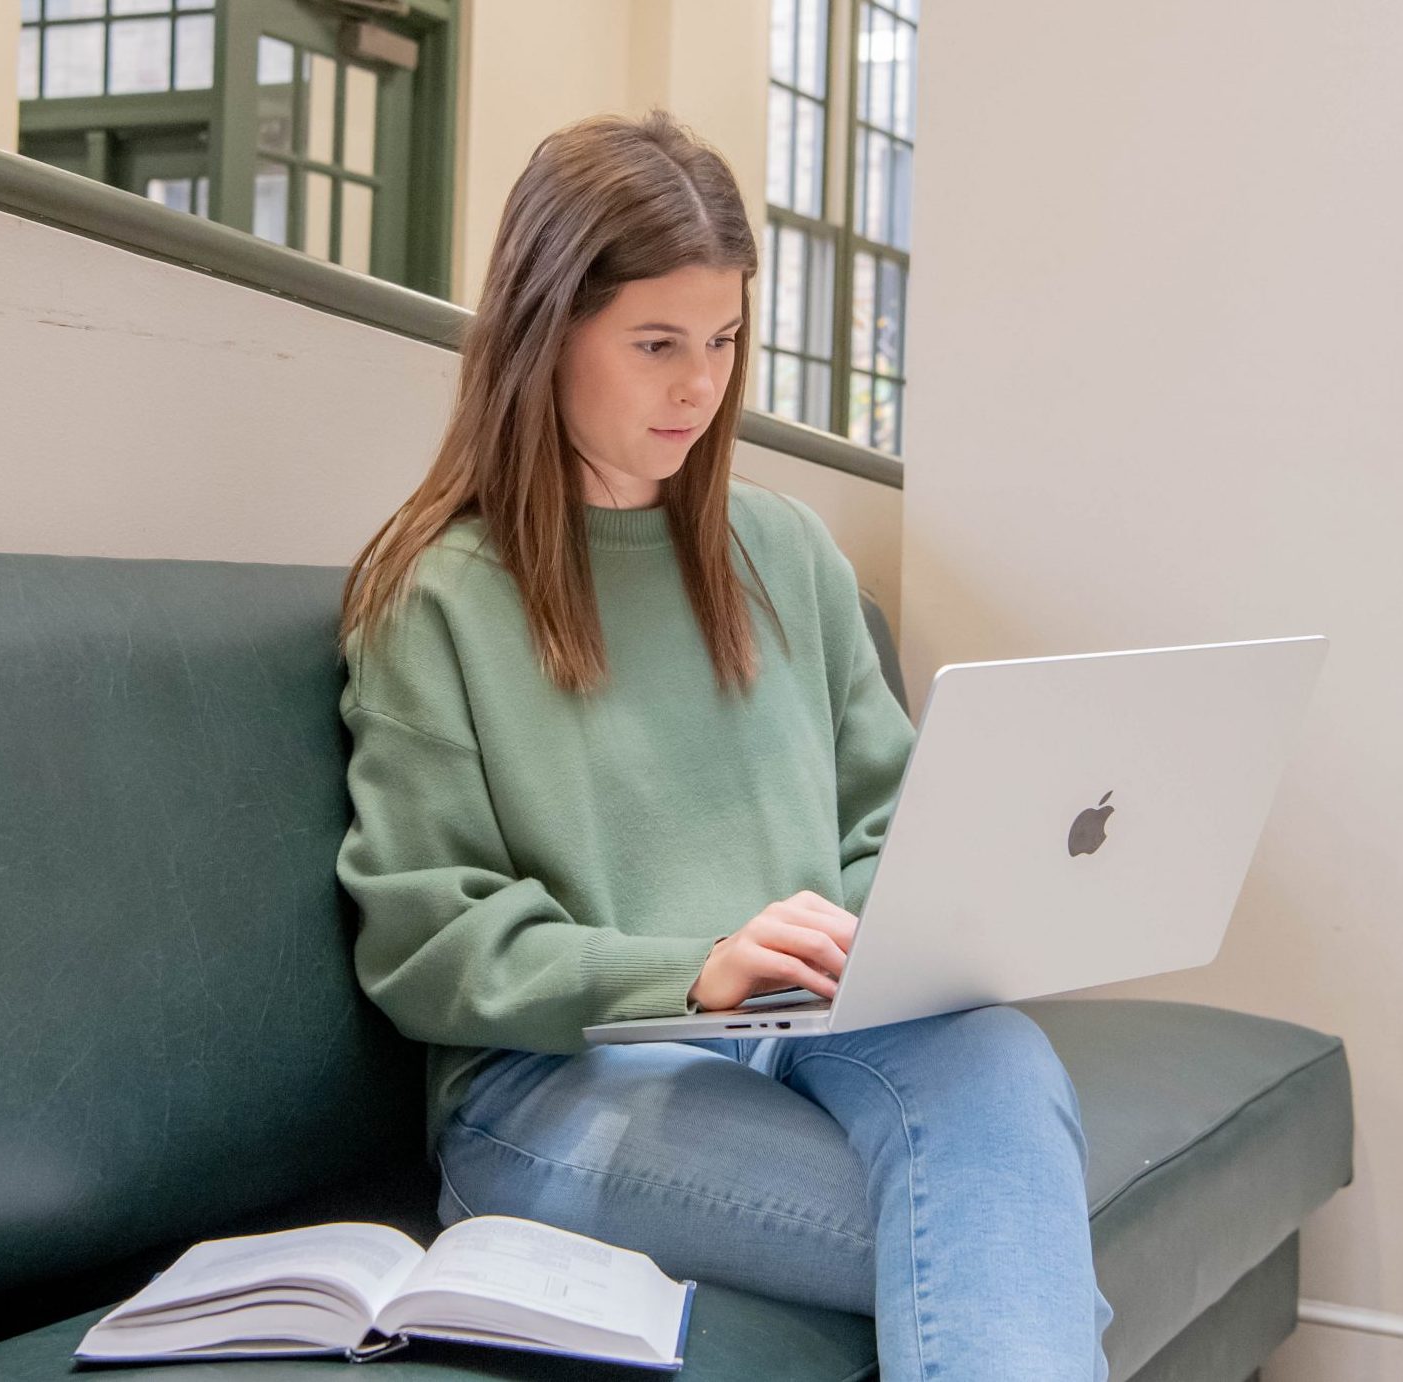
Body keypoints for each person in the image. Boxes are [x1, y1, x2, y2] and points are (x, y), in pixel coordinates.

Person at [332, 107, 1114, 1381]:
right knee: (1003, 1231)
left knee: (998, 1063)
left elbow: (887, 826)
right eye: (656, 343)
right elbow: (430, 940)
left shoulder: (788, 550)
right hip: (563, 1085)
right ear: (546, 331)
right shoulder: (437, 595)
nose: (700, 384)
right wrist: (692, 968)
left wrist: (899, 934)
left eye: (724, 339)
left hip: (818, 1034)